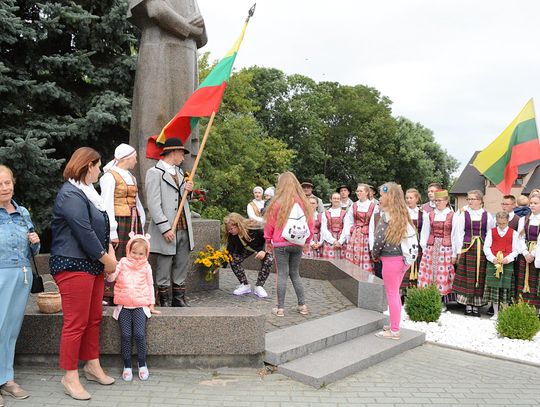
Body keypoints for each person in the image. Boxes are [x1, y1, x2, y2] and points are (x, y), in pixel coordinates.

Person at [49, 147, 117, 401]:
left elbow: (100, 228)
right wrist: (108, 261)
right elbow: (84, 232)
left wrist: (107, 255)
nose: (100, 170)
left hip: (91, 264)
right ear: (87, 165)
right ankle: (69, 377)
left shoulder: (88, 192)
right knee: (75, 323)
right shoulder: (70, 194)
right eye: (98, 166)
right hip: (73, 264)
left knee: (93, 319)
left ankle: (91, 364)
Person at [128, 0, 207, 181]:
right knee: (155, 120)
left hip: (188, 57)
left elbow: (202, 32)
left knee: (184, 124)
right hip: (158, 49)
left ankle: (181, 201)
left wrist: (195, 30)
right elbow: (155, 9)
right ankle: (150, 203)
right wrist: (189, 29)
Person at [0, 165, 40, 403]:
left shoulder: (22, 211)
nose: (4, 188)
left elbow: (34, 249)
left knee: (10, 331)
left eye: (7, 182)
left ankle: (6, 378)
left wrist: (35, 241)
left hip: (21, 275)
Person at [146, 138, 194, 307]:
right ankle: (164, 299)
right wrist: (165, 228)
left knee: (181, 263)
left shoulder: (180, 173)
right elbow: (153, 203)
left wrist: (189, 191)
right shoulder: (155, 172)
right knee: (164, 264)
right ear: (173, 152)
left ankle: (178, 298)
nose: (183, 157)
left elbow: (183, 199)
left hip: (183, 226)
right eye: (181, 153)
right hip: (167, 227)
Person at [106, 233, 160, 382]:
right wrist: (110, 267)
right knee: (126, 336)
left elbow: (150, 285)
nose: (137, 256)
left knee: (139, 335)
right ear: (128, 250)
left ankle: (142, 364)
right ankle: (127, 366)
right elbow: (111, 278)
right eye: (134, 252)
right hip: (123, 306)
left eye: (141, 253)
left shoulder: (146, 267)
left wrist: (151, 303)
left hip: (140, 306)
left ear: (146, 254)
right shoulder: (122, 263)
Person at [100, 143, 145, 306]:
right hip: (119, 221)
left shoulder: (131, 177)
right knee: (116, 257)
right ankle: (109, 294)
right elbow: (106, 204)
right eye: (134, 157)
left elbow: (137, 202)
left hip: (133, 221)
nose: (136, 160)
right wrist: (112, 231)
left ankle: (128, 291)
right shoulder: (109, 176)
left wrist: (142, 221)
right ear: (127, 157)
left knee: (131, 256)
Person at [372, 182, 418, 340]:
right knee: (395, 293)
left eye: (382, 195)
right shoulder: (402, 214)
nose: (380, 198)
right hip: (402, 260)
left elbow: (378, 241)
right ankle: (394, 323)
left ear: (389, 197)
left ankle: (394, 330)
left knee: (392, 294)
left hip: (391, 260)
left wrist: (374, 255)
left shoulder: (386, 217)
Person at [264, 172, 314, 317]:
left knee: (282, 274)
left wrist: (268, 240)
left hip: (280, 243)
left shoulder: (277, 202)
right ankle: (302, 305)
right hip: (297, 242)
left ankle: (280, 309)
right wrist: (307, 241)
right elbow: (310, 223)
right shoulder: (303, 202)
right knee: (295, 273)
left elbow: (270, 224)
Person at [453, 190, 495, 317]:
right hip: (467, 248)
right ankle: (468, 305)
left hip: (481, 249)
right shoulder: (463, 214)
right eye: (468, 199)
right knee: (468, 275)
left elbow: (489, 234)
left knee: (479, 276)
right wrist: (459, 251)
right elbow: (459, 234)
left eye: (472, 199)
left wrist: (487, 250)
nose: (470, 201)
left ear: (480, 201)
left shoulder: (487, 215)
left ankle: (476, 305)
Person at [418, 189, 458, 308]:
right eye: (435, 201)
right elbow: (425, 232)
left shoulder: (452, 215)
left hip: (445, 248)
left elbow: (454, 235)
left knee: (443, 274)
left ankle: (441, 301)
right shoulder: (429, 215)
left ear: (446, 201)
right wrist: (424, 247)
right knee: (428, 274)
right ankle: (428, 299)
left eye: (439, 200)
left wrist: (455, 253)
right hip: (431, 247)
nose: (437, 203)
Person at [224, 213, 273, 298]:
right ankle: (244, 285)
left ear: (238, 225)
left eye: (231, 229)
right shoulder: (232, 235)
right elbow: (229, 250)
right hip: (247, 248)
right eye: (228, 229)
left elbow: (267, 237)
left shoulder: (254, 227)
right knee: (233, 259)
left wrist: (263, 250)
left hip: (262, 246)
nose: (229, 231)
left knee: (269, 259)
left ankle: (259, 286)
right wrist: (220, 264)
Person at [483, 212, 519, 320]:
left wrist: (507, 259)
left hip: (506, 262)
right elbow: (486, 247)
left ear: (508, 221)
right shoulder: (491, 232)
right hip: (494, 261)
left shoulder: (514, 233)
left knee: (505, 288)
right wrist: (492, 258)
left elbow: (516, 250)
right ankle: (495, 313)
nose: (501, 226)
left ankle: (505, 313)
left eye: (503, 223)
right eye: (499, 223)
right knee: (495, 288)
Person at [344, 183, 379, 272]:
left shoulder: (373, 206)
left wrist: (372, 242)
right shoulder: (354, 205)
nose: (358, 193)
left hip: (367, 237)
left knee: (365, 258)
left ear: (367, 192)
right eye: (357, 191)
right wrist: (348, 235)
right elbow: (349, 221)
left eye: (361, 191)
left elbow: (374, 225)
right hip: (355, 236)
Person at [516, 194, 540, 313]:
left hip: (537, 254)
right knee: (524, 281)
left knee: (536, 282)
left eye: (536, 203)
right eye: (531, 203)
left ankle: (536, 310)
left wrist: (533, 254)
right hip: (525, 254)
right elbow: (519, 238)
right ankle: (523, 308)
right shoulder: (524, 219)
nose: (532, 205)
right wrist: (525, 252)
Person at [401, 188, 424, 298]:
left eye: (411, 198)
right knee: (404, 267)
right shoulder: (402, 212)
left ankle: (413, 293)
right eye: (407, 198)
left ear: (417, 199)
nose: (408, 200)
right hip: (404, 243)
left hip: (417, 244)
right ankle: (402, 294)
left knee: (416, 267)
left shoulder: (423, 213)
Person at [320, 192, 347, 259]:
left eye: (338, 198)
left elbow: (346, 228)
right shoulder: (325, 213)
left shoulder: (344, 213)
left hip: (341, 239)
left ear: (340, 200)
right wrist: (333, 241)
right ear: (330, 200)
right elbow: (324, 229)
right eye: (334, 198)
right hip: (329, 239)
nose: (336, 200)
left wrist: (340, 241)